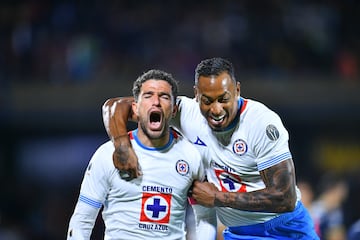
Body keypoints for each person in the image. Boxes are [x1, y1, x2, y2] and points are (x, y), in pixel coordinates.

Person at [102, 57, 319, 239]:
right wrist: (122, 147)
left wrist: (218, 198)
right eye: (207, 100)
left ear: (237, 90)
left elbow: (285, 198)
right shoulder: (185, 112)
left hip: (285, 229)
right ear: (196, 94)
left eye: (223, 99)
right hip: (238, 233)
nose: (216, 109)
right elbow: (115, 105)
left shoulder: (261, 123)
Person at [67, 69, 215, 239]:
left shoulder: (191, 156)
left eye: (164, 96)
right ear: (135, 108)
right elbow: (82, 220)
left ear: (174, 110)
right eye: (148, 95)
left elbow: (206, 217)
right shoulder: (107, 154)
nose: (156, 102)